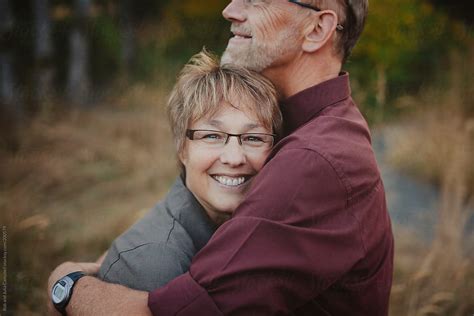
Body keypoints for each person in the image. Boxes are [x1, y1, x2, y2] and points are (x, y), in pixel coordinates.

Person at [48, 0, 394, 315]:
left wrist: (68, 285)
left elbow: (183, 311)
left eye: (255, 1)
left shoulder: (312, 158)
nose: (230, 10)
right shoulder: (317, 124)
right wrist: (118, 260)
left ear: (317, 29)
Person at [97, 50, 282, 292]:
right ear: (182, 149)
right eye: (213, 136)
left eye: (253, 138)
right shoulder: (156, 265)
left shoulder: (253, 233)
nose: (234, 158)